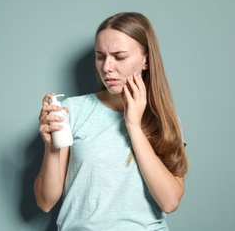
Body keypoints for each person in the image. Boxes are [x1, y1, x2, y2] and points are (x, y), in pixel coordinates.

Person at [34, 12, 189, 230]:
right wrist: (51, 147)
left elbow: (170, 201)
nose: (107, 67)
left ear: (146, 60)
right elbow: (45, 202)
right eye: (100, 56)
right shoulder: (74, 110)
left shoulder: (165, 121)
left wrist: (133, 125)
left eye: (119, 56)